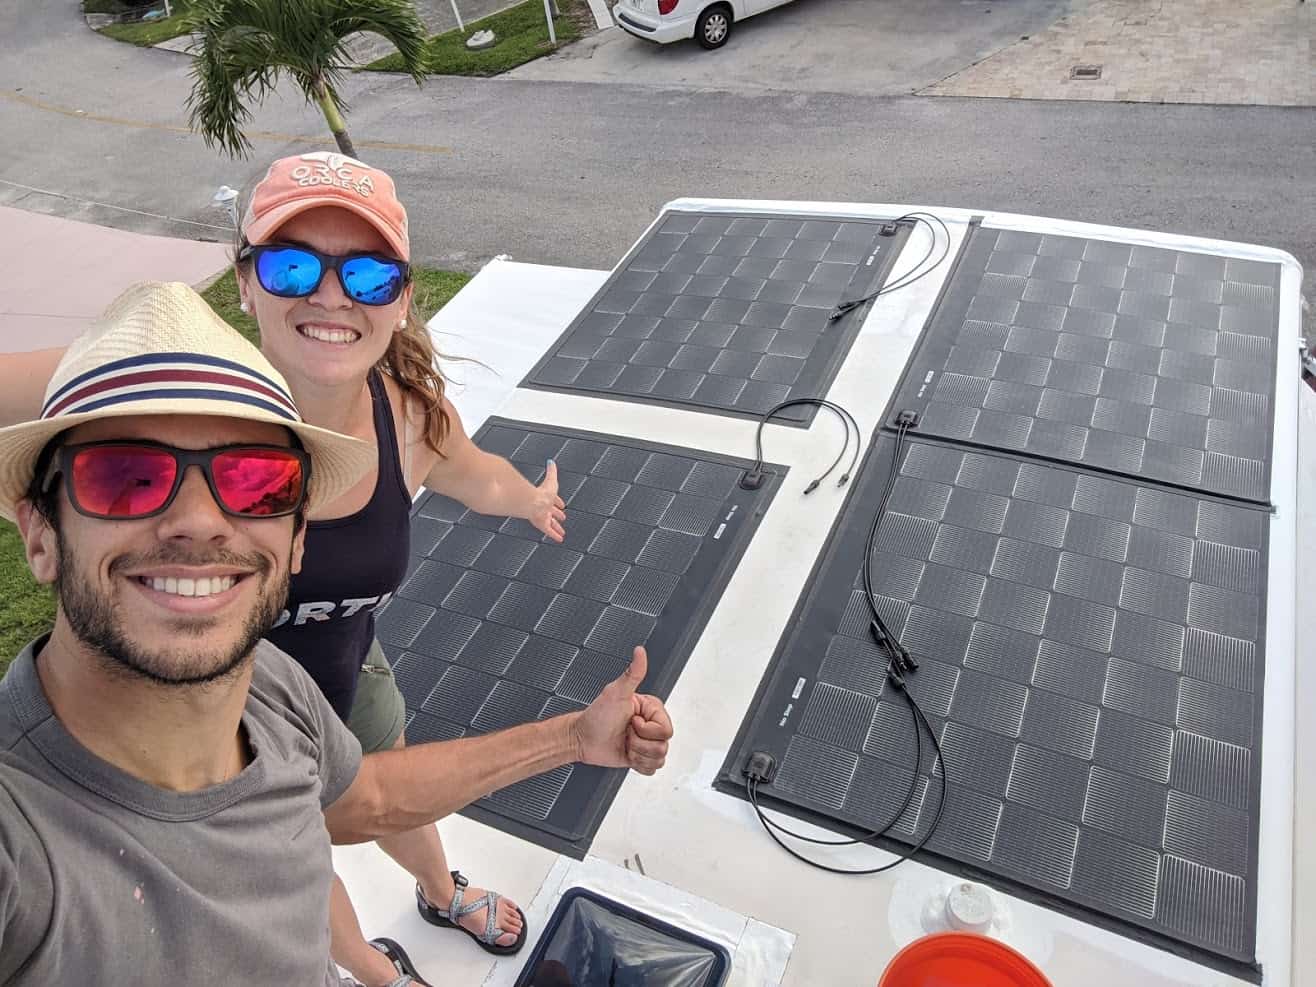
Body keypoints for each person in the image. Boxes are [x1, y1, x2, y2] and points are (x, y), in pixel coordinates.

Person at [0, 281, 673, 986]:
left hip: (346, 671)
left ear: (297, 539)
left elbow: (369, 800)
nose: (198, 520)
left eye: (255, 479)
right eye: (125, 475)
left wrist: (573, 738)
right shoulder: (25, 844)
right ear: (39, 532)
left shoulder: (268, 688)